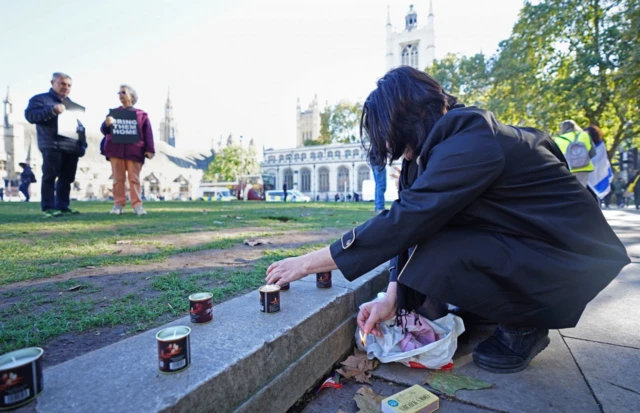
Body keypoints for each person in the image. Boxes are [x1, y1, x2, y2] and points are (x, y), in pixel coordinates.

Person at [265, 67, 629, 374]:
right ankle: (498, 308)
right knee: (430, 253)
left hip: (573, 257)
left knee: (440, 253)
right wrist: (392, 298)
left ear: (416, 118)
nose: (397, 154)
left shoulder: (470, 140)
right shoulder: (426, 153)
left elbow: (408, 220)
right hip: (534, 248)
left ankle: (525, 324)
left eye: (397, 140)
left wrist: (308, 262)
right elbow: (408, 229)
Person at [24, 72, 87, 217]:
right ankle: (48, 207)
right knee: (49, 176)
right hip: (52, 145)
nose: (66, 87)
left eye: (69, 85)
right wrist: (52, 110)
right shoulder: (40, 100)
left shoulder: (72, 105)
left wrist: (82, 145)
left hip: (71, 148)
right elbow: (30, 116)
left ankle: (63, 206)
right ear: (53, 83)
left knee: (67, 179)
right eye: (62, 84)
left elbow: (81, 128)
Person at [100, 85, 155, 216]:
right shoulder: (113, 114)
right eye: (119, 93)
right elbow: (104, 130)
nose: (120, 95)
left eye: (123, 92)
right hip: (116, 150)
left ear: (132, 96)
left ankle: (137, 205)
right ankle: (118, 204)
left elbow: (148, 133)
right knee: (118, 179)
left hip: (134, 151)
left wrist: (150, 149)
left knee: (134, 179)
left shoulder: (141, 115)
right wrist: (106, 124)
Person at [553, 120, 596, 187]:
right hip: (584, 169)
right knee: (582, 191)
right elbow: (593, 153)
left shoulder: (558, 139)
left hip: (567, 170)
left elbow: (556, 157)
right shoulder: (584, 135)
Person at [585, 125, 612, 204]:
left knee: (592, 195)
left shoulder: (600, 145)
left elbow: (598, 159)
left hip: (589, 173)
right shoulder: (587, 144)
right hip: (587, 174)